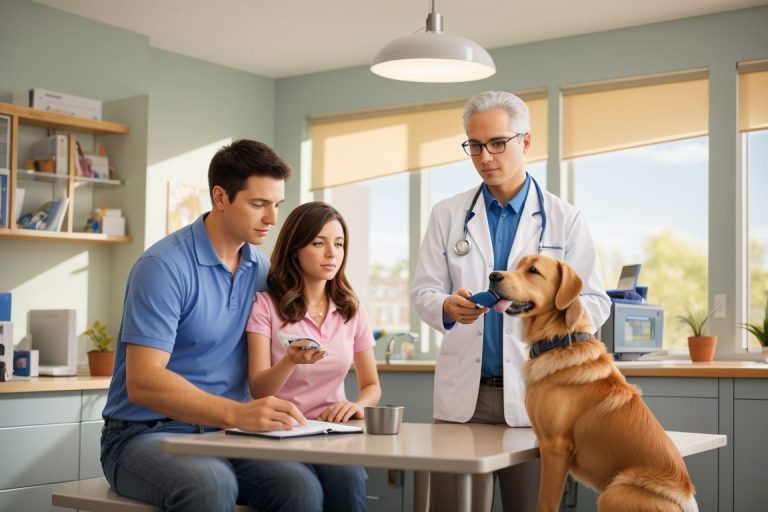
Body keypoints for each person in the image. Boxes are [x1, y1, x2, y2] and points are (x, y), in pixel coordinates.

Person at [410, 91, 611, 511]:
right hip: (466, 396)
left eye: (498, 143)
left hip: (538, 393)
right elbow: (424, 291)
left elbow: (594, 301)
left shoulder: (564, 218)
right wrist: (447, 306)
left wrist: (541, 305)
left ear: (525, 142)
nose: (486, 156)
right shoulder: (448, 214)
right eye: (475, 145)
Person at [101, 140, 323, 512]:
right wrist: (237, 413)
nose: (272, 218)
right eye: (258, 204)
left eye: (276, 205)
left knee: (300, 486)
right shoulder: (163, 267)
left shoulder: (260, 268)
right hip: (143, 434)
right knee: (210, 482)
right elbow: (142, 381)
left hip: (225, 433)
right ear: (221, 197)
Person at [245, 201, 381, 512]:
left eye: (339, 243)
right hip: (279, 433)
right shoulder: (265, 305)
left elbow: (372, 385)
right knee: (302, 492)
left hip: (332, 436)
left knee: (349, 481)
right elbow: (258, 388)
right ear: (295, 249)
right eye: (319, 243)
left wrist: (357, 405)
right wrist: (289, 361)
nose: (332, 253)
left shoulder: (352, 310)